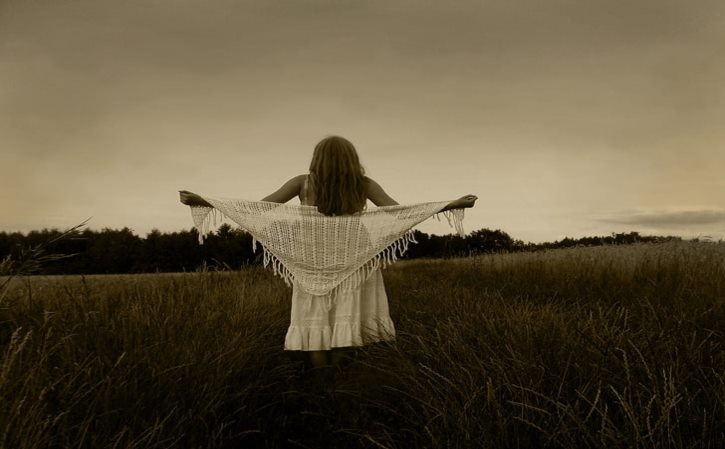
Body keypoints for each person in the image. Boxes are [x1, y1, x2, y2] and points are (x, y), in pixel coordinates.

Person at [180, 135, 477, 368]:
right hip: (356, 257)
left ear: (317, 158)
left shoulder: (302, 182)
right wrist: (449, 205)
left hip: (311, 260)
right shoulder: (363, 185)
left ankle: (320, 377)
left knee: (316, 315)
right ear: (352, 159)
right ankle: (340, 376)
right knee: (348, 313)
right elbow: (399, 213)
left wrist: (204, 200)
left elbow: (257, 209)